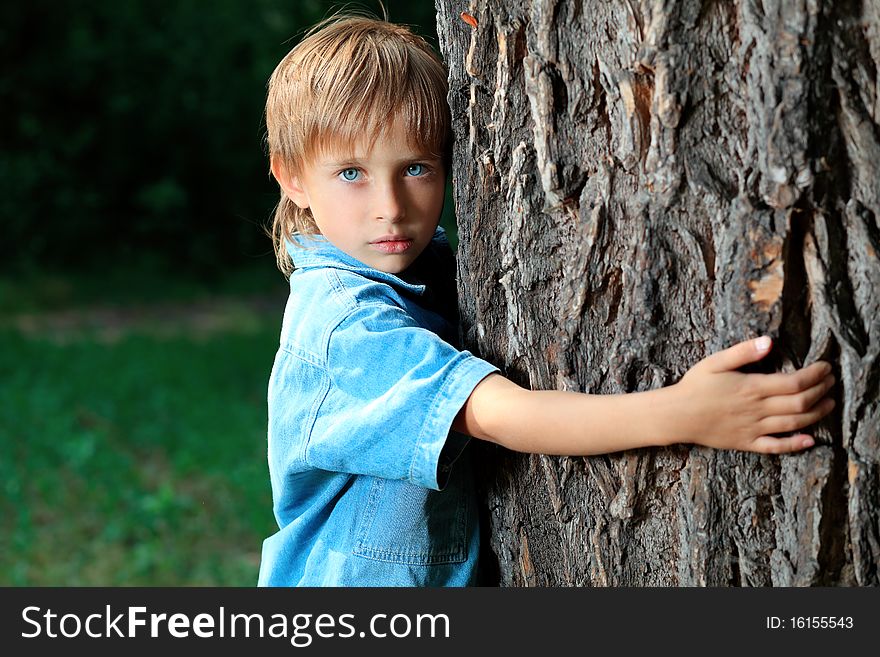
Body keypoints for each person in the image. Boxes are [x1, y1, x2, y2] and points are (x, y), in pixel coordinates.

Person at [257, 15, 835, 587]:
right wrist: (686, 412)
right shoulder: (345, 327)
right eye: (352, 173)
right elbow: (505, 415)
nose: (391, 205)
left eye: (415, 168)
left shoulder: (418, 268)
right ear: (293, 178)